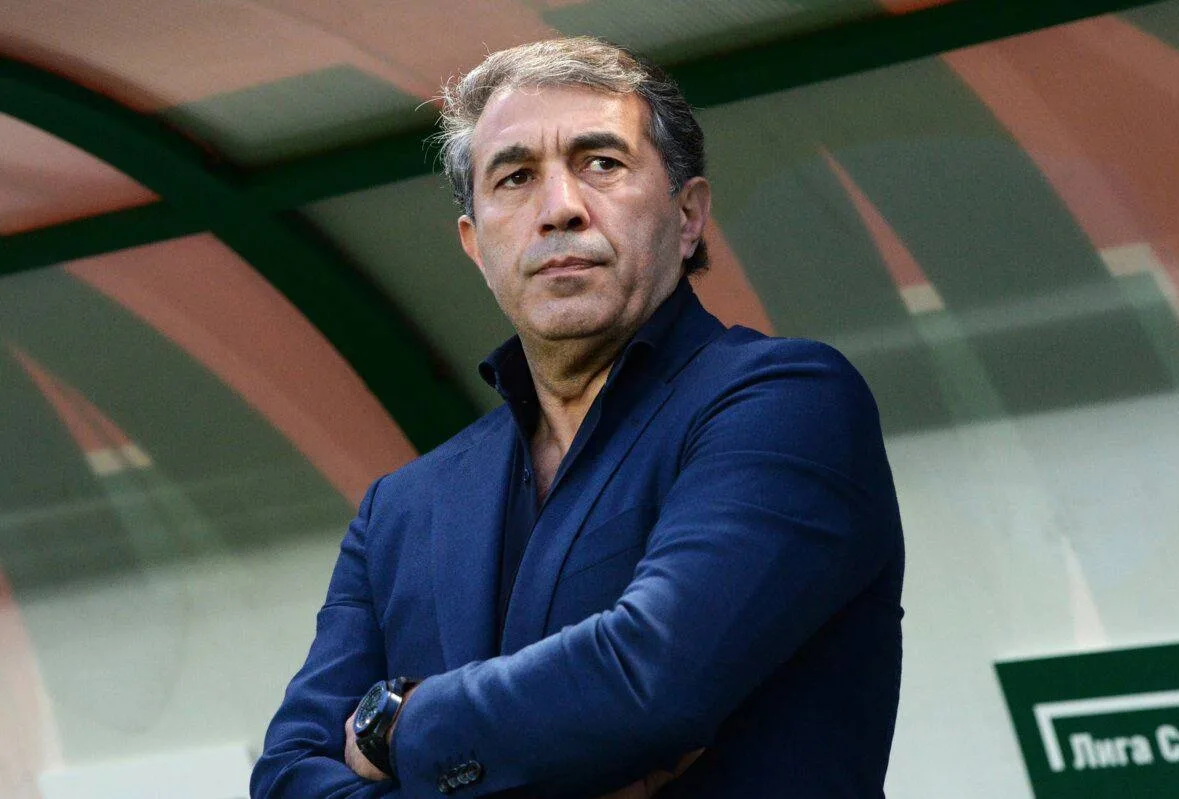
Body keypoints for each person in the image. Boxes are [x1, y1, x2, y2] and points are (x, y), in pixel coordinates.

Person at [251, 36, 904, 799]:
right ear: (475, 244)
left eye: (601, 162)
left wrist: (397, 722)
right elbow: (288, 775)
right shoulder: (401, 509)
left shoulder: (787, 403)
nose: (559, 208)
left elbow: (650, 680)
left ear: (688, 215)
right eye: (515, 176)